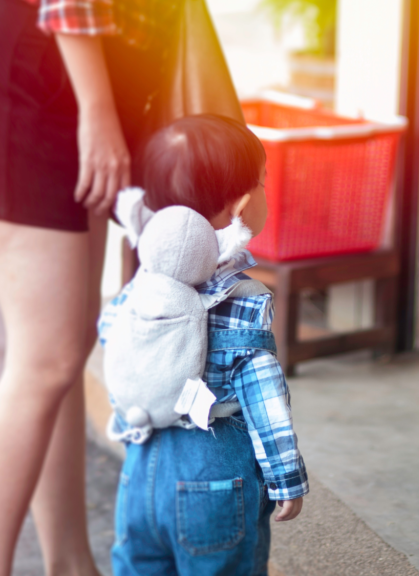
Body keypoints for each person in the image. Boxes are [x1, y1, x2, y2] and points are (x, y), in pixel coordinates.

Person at [98, 114, 307, 575]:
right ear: (243, 206)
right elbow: (263, 394)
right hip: (213, 476)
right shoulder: (244, 300)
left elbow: (112, 341)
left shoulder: (142, 287)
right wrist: (285, 475)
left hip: (141, 468)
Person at [0, 0, 128, 573]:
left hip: (80, 73)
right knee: (46, 357)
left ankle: (72, 565)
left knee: (67, 344)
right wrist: (97, 107)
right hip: (47, 74)